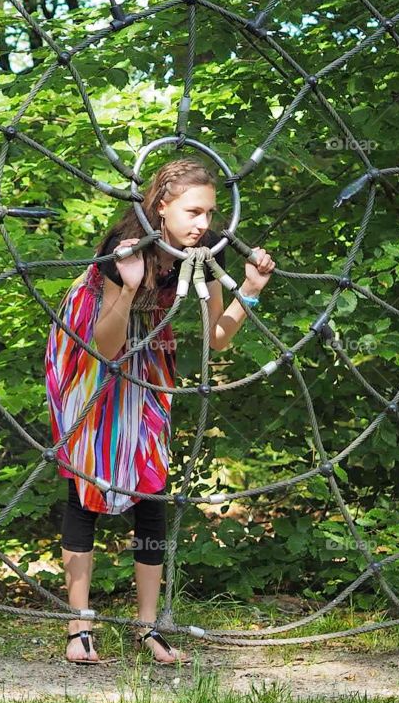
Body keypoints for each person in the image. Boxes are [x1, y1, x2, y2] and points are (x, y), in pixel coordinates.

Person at [45, 157, 276, 664]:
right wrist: (128, 287)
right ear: (162, 204)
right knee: (87, 481)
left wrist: (251, 293)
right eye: (193, 211)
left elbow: (218, 338)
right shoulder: (122, 248)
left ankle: (148, 627)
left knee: (150, 481)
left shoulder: (202, 252)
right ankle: (78, 627)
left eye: (210, 213)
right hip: (90, 348)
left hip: (149, 352)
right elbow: (104, 346)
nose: (203, 223)